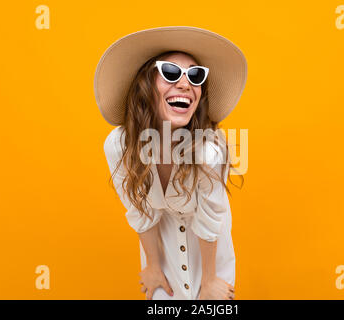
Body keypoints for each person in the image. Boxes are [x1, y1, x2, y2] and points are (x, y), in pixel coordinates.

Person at [94, 26, 247, 300]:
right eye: (171, 72)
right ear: (145, 84)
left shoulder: (209, 149)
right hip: (160, 248)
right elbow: (138, 208)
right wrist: (152, 266)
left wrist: (210, 280)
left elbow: (209, 219)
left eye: (195, 75)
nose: (186, 84)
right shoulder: (118, 145)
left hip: (209, 253)